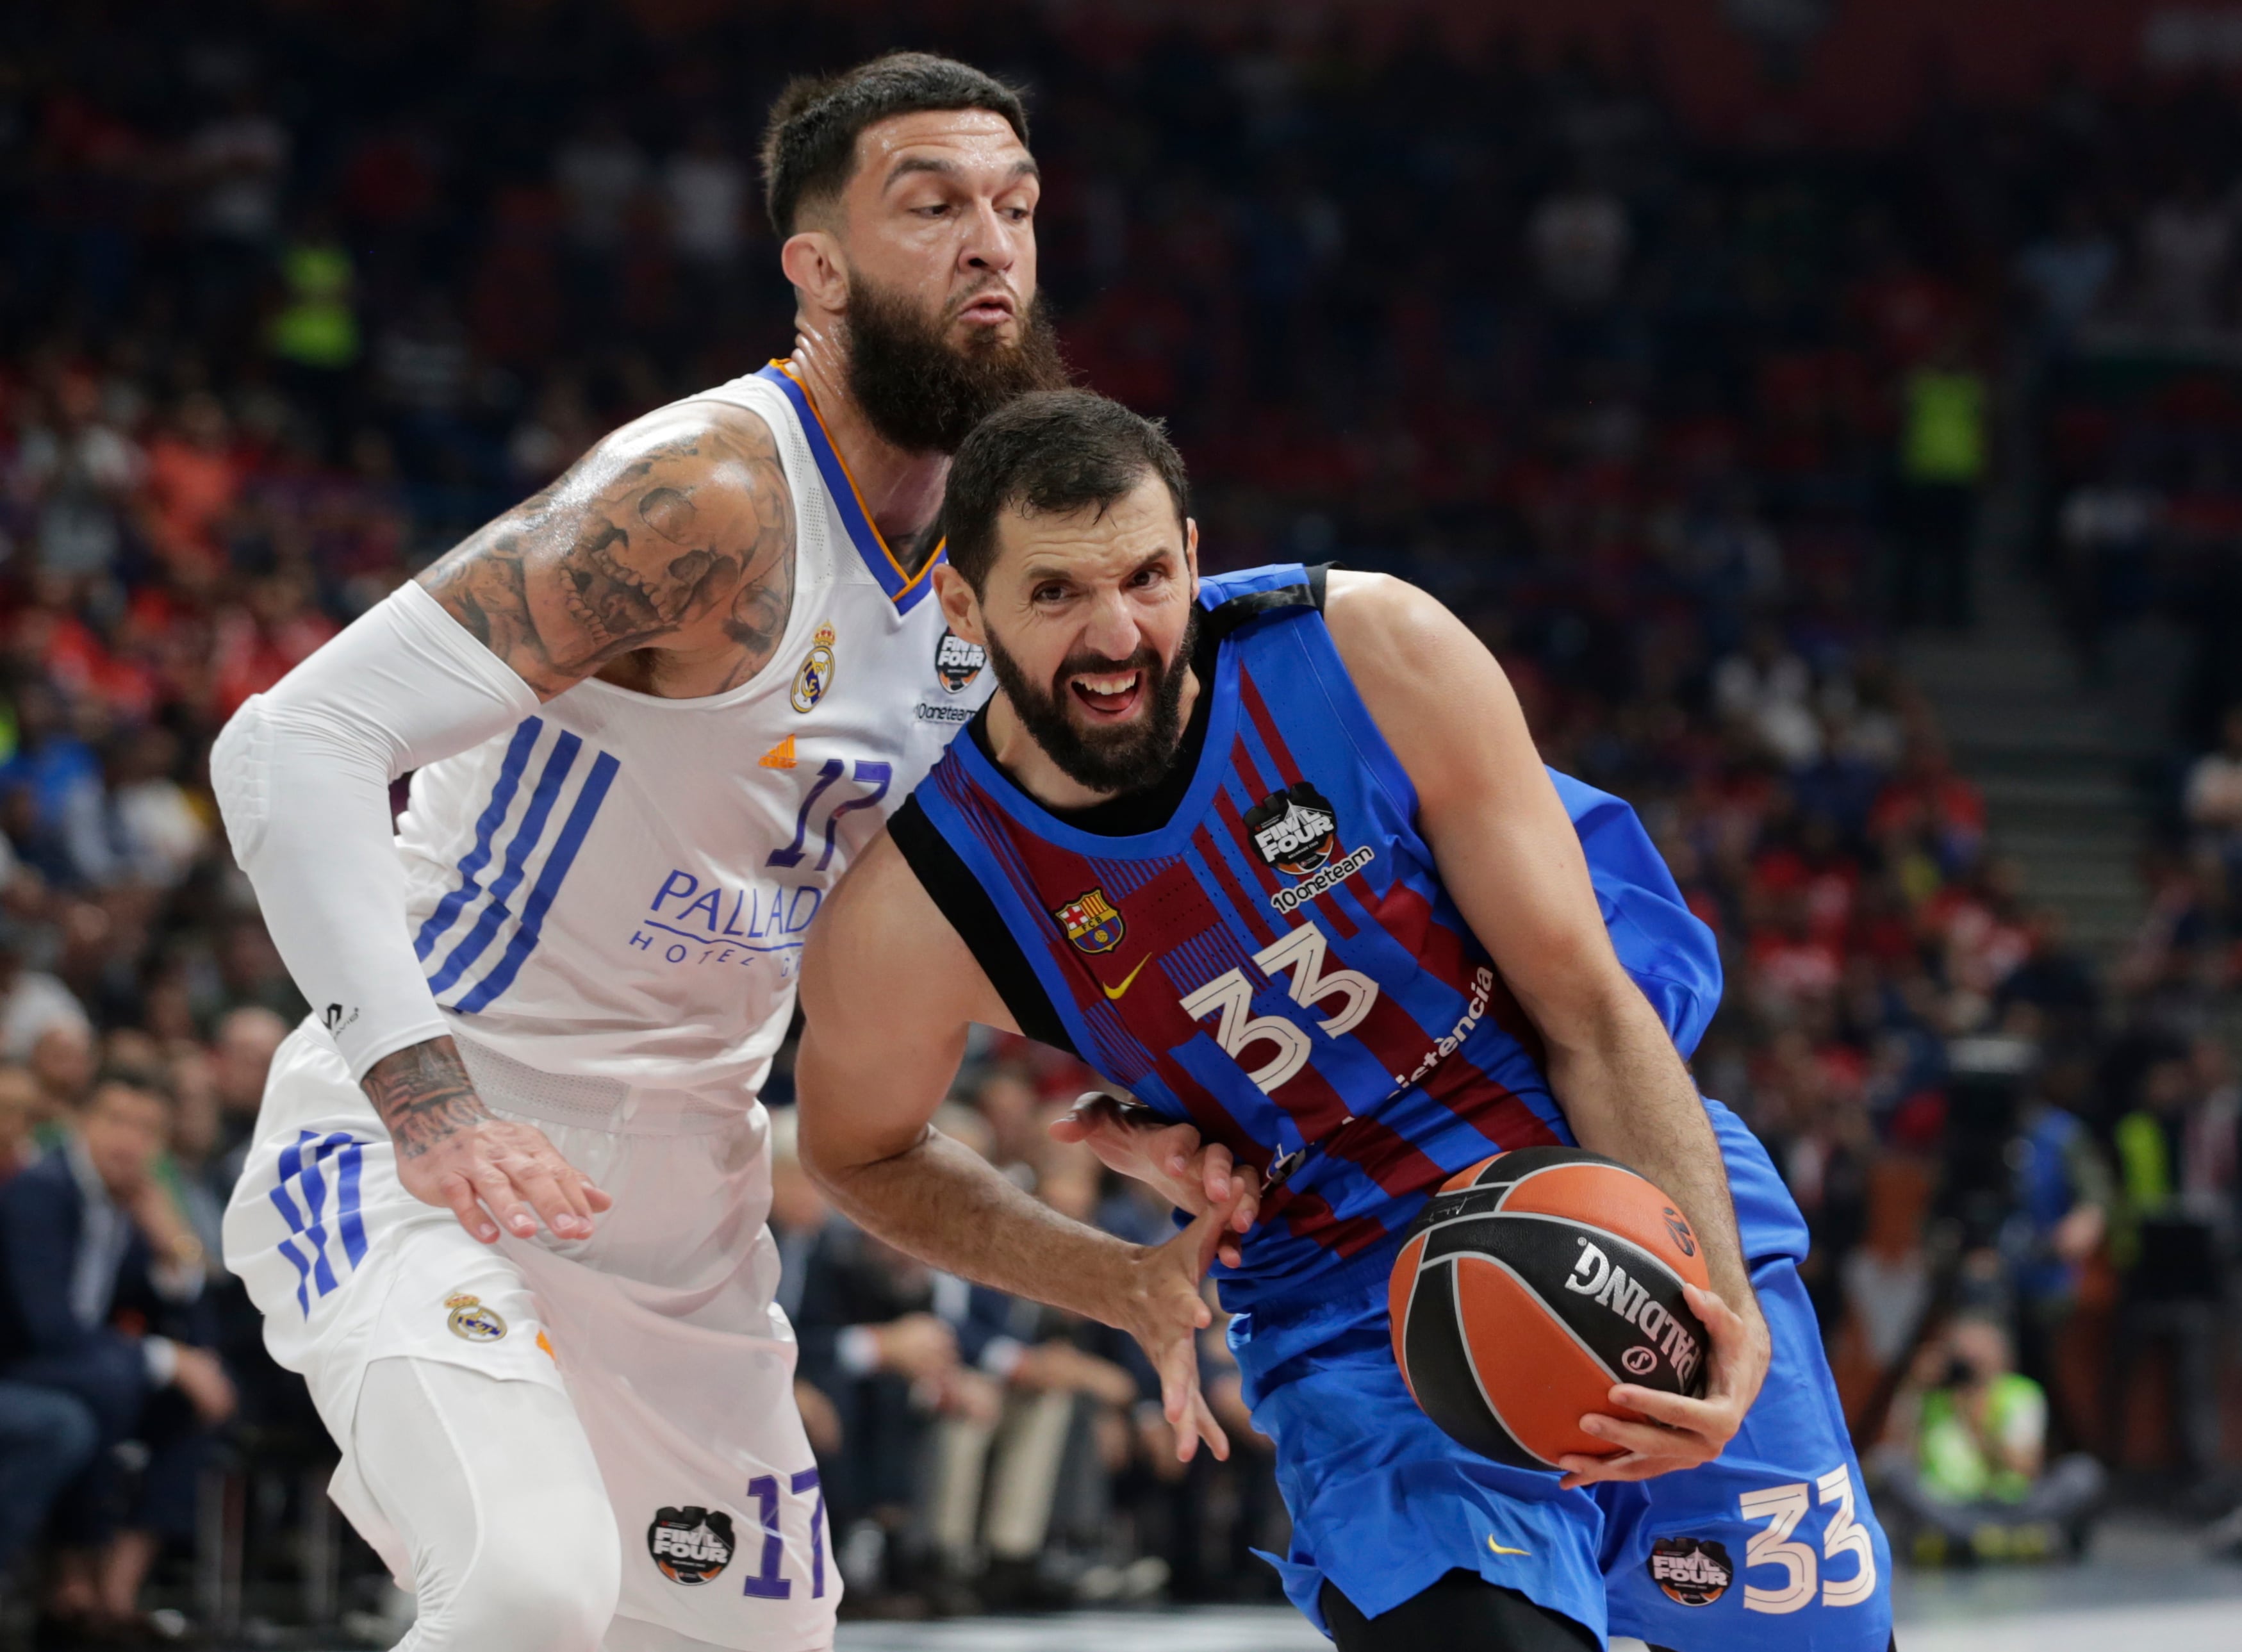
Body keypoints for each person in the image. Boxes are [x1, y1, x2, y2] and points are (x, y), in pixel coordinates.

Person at [794, 391, 1893, 1652]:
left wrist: (1713, 1308)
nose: (1115, 633)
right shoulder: (925, 896)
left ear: (1195, 557)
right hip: (1355, 1316)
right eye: (1054, 596)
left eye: (1148, 577)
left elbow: (1591, 1006)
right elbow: (854, 1147)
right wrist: (1113, 1278)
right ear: (962, 607)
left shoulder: (1371, 649)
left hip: (1614, 1205)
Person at [212, 53, 1063, 1652]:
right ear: (814, 265)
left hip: (691, 1194)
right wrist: (426, 1096)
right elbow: (289, 743)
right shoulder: (710, 494)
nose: (989, 245)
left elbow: (985, 914)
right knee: (527, 1591)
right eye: (932, 203)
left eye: (1014, 207)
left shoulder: (995, 560)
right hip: (442, 1144)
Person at [0, 1071, 235, 1640]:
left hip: (73, 1370)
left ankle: (115, 1594)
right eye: (115, 1121)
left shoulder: (123, 1205)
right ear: (81, 1123)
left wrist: (172, 1244)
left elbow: (196, 1331)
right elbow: (50, 1330)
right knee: (107, 1389)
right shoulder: (42, 1191)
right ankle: (71, 1580)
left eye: (146, 1128)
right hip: (20, 1364)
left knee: (192, 1408)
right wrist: (167, 1360)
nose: (127, 1140)